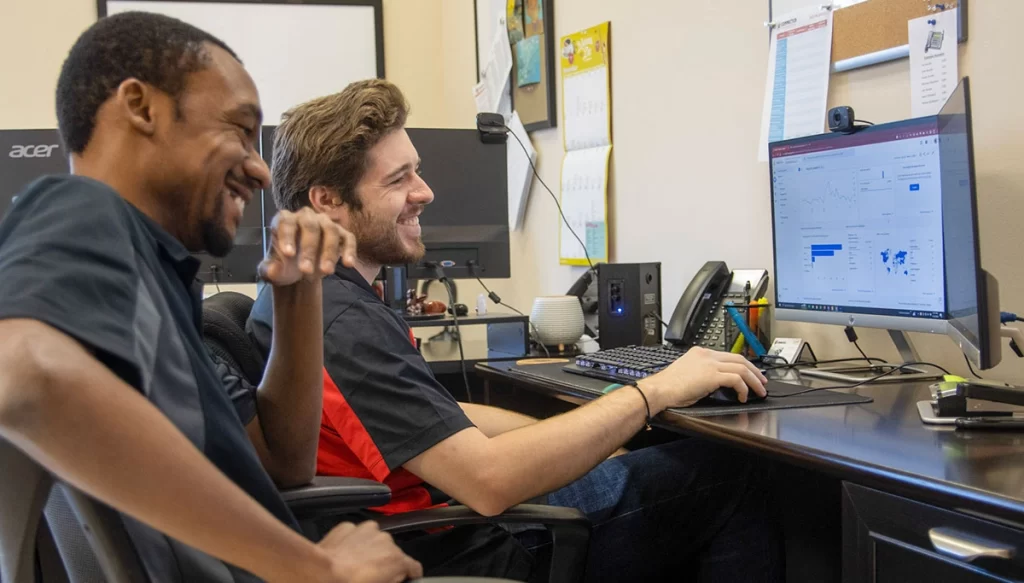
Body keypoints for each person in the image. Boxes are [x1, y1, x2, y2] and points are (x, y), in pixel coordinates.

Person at [248, 79, 783, 582]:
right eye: (398, 179)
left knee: (652, 456)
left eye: (417, 171)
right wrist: (653, 391)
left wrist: (596, 439)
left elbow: (440, 418)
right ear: (327, 201)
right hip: (466, 546)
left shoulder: (305, 297)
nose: (425, 192)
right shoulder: (344, 321)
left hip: (442, 516)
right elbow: (488, 482)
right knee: (732, 471)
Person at [0, 13, 421, 583]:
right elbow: (21, 377)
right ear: (140, 107)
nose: (260, 171)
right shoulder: (82, 210)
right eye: (239, 130)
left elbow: (284, 465)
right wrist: (313, 567)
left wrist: (299, 290)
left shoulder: (152, 279)